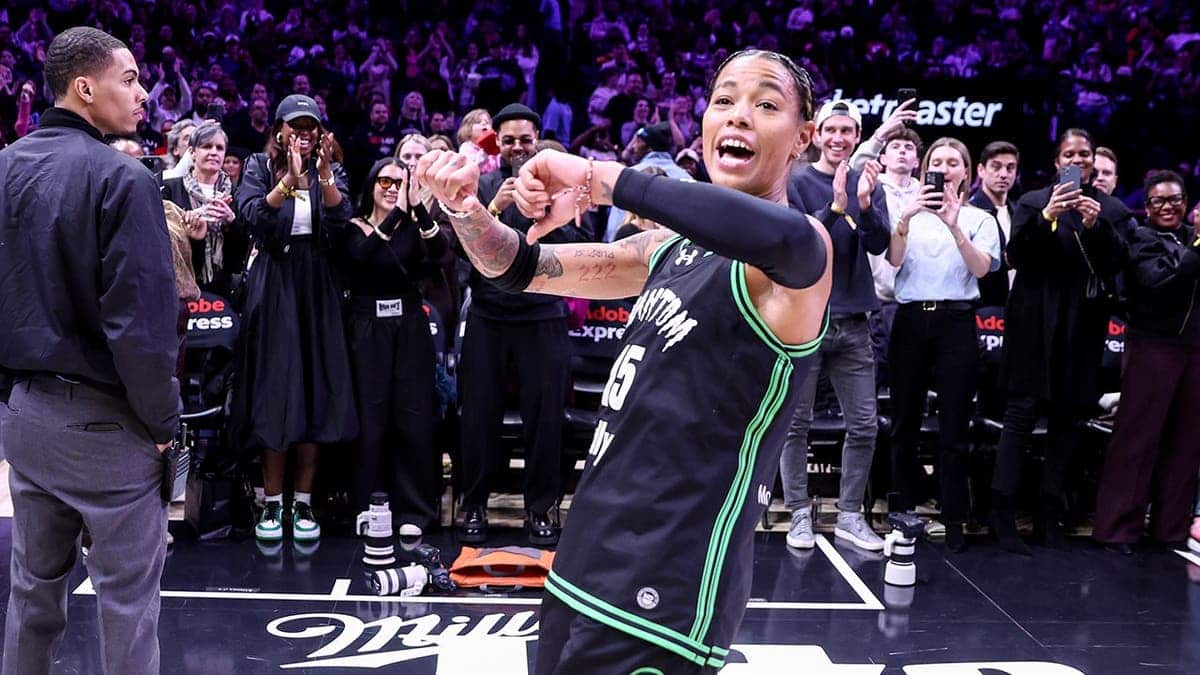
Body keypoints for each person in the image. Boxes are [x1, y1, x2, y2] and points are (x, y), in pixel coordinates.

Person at [417, 47, 831, 673]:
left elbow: (782, 237)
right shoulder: (666, 249)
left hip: (667, 588)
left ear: (802, 138)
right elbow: (518, 268)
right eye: (723, 100)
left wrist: (603, 177)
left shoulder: (797, 258)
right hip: (586, 558)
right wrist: (463, 207)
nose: (739, 115)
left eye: (766, 104)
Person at [0, 27, 179, 675]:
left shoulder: (4, 167)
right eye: (129, 79)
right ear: (85, 88)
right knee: (128, 604)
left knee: (32, 594)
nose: (142, 94)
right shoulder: (122, 179)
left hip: (23, 418)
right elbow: (143, 329)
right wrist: (163, 426)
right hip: (107, 425)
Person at [991, 128, 1136, 554]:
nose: (1079, 159)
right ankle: (1002, 514)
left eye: (1085, 153)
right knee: (1019, 419)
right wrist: (1048, 218)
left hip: (1082, 327)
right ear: (1057, 161)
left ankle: (1050, 513)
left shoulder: (1110, 208)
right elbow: (1016, 256)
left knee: (1067, 424)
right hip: (1034, 325)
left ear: (1093, 160)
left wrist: (1095, 227)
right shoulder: (1034, 202)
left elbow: (1119, 265)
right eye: (1070, 153)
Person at [457, 103, 589, 546]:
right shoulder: (481, 187)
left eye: (525, 140)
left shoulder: (562, 188)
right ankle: (472, 504)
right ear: (497, 141)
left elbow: (578, 247)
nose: (517, 147)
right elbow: (461, 252)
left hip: (542, 317)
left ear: (537, 141)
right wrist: (492, 208)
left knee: (545, 420)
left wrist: (541, 215)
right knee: (477, 416)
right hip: (489, 318)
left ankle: (541, 511)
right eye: (509, 139)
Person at [232, 94, 357, 545]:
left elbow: (342, 222)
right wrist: (289, 179)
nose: (303, 134)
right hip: (276, 282)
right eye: (294, 126)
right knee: (276, 391)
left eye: (310, 126)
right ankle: (272, 502)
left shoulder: (332, 167)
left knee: (315, 391)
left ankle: (304, 501)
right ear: (279, 131)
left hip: (317, 285)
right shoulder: (258, 167)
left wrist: (322, 177)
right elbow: (253, 218)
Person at [780, 98, 889, 553]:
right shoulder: (798, 180)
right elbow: (798, 244)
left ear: (857, 136)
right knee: (794, 426)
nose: (839, 138)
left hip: (854, 322)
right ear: (816, 135)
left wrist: (862, 205)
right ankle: (799, 515)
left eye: (848, 131)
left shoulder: (870, 181)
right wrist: (835, 208)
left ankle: (848, 515)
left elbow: (879, 243)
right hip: (807, 320)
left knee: (864, 425)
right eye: (832, 130)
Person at [886, 137, 1001, 553]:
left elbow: (982, 269)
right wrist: (906, 218)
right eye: (937, 161)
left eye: (954, 162)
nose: (945, 168)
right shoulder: (907, 213)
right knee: (904, 422)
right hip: (912, 318)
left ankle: (953, 516)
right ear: (924, 169)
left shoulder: (978, 218)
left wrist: (954, 225)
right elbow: (894, 261)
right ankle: (903, 510)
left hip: (956, 320)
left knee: (954, 425)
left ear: (966, 173)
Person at [1093, 171, 1200, 553]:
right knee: (1137, 440)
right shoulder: (1139, 238)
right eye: (1159, 201)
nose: (1168, 207)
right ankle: (1117, 529)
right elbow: (1158, 281)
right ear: (1148, 207)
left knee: (1187, 442)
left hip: (1195, 348)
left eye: (1175, 199)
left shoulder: (1190, 238)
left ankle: (1170, 529)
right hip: (1152, 347)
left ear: (1186, 202)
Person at [342, 158, 451, 537]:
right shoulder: (354, 226)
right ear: (371, 184)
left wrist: (417, 207)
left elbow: (441, 253)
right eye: (384, 181)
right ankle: (367, 506)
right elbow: (363, 255)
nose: (390, 188)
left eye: (398, 183)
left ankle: (416, 511)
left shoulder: (415, 226)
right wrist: (394, 216)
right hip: (366, 328)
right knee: (370, 420)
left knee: (414, 417)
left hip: (409, 326)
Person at [162, 121, 245, 297]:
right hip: (179, 288)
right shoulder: (170, 189)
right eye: (207, 146)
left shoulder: (237, 195)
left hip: (224, 288)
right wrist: (192, 234)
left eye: (219, 148)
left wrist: (231, 222)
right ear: (192, 152)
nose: (214, 152)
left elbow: (240, 256)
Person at [604, 121, 692, 241]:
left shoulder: (629, 176)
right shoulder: (686, 178)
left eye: (638, 141)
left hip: (629, 249)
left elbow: (614, 228)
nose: (633, 147)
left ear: (649, 147)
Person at [971, 141, 1020, 308]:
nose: (1003, 174)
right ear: (981, 170)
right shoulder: (970, 211)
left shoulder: (1020, 211)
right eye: (996, 167)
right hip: (981, 306)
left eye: (1010, 168)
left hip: (1015, 306)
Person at [457, 107, 499, 174]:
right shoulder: (466, 147)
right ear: (468, 129)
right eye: (478, 122)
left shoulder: (495, 145)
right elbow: (470, 169)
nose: (484, 123)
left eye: (487, 122)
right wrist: (485, 152)